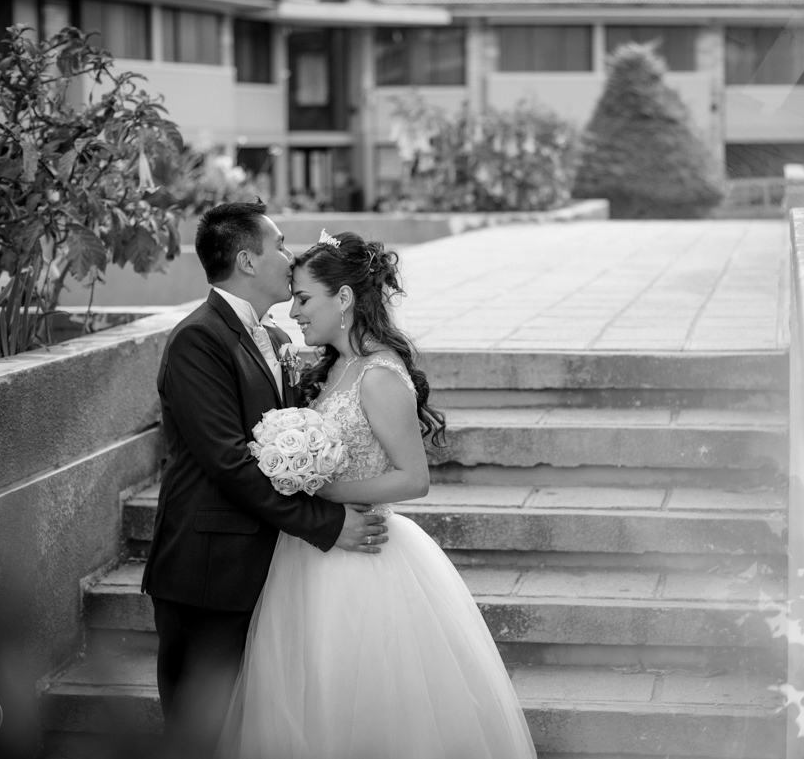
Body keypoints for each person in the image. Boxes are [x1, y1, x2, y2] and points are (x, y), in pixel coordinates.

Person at [219, 231, 536, 759]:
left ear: (342, 299)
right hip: (306, 555)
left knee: (361, 700)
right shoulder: (333, 366)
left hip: (364, 554)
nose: (293, 311)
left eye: (303, 298)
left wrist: (319, 489)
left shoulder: (382, 374)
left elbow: (414, 478)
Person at [141, 201, 389, 757]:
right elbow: (229, 463)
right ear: (248, 261)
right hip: (207, 571)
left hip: (260, 568)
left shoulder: (270, 337)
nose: (290, 255)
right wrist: (326, 523)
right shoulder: (198, 340)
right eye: (279, 244)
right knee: (194, 735)